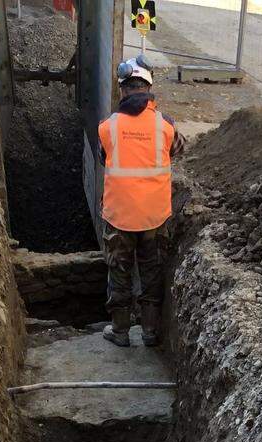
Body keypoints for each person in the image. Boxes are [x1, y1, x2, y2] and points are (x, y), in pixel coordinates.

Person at [97, 58, 185, 348]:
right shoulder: (166, 125)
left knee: (119, 273)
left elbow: (103, 157)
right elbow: (177, 150)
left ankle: (120, 332)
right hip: (154, 216)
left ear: (123, 91)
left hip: (119, 215)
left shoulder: (108, 127)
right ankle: (149, 332)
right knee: (152, 272)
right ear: (149, 89)